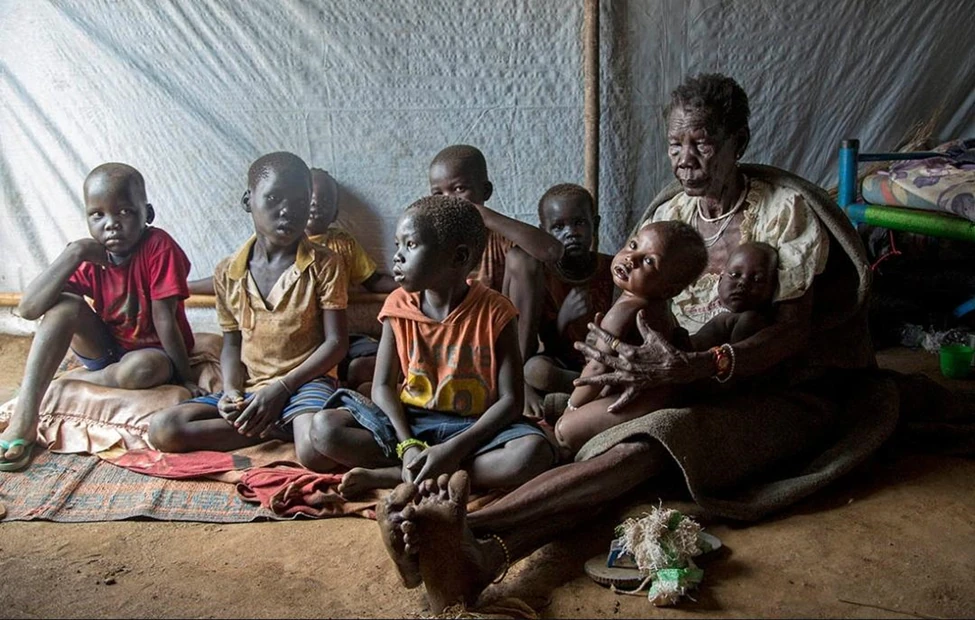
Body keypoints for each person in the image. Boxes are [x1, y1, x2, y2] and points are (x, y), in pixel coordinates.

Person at [374, 73, 887, 614]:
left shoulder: (782, 211)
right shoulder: (670, 215)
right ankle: (467, 553)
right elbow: (625, 306)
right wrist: (617, 361)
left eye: (703, 142)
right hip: (658, 373)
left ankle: (470, 534)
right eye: (675, 144)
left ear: (740, 142)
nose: (685, 158)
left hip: (758, 388)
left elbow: (791, 333)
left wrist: (695, 366)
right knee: (563, 399)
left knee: (654, 440)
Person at [298, 195, 556, 501]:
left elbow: (511, 401)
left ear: (458, 258)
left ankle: (396, 475)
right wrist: (407, 445)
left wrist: (453, 449)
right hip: (413, 422)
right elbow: (382, 386)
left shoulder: (497, 312)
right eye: (398, 245)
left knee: (533, 453)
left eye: (410, 245)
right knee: (325, 429)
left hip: (473, 429)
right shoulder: (397, 306)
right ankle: (423, 465)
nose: (397, 257)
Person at [0, 163, 200, 472]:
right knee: (64, 304)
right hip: (106, 350)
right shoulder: (90, 254)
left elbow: (165, 319)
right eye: (98, 215)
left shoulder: (159, 247)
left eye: (125, 212)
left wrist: (186, 377)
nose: (111, 225)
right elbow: (29, 309)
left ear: (147, 213)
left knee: (143, 368)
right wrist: (75, 252)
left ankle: (62, 384)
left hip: (154, 354)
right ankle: (25, 416)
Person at [148, 152, 349, 454]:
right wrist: (231, 391)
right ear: (248, 201)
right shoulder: (228, 272)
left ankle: (272, 422)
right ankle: (272, 427)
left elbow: (336, 343)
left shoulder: (325, 264)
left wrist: (281, 389)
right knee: (163, 430)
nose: (287, 211)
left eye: (299, 202)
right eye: (274, 199)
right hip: (252, 386)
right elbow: (231, 344)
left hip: (305, 382)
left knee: (312, 450)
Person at [188, 168, 395, 390]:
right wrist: (184, 287)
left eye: (324, 200)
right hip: (290, 358)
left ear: (335, 214)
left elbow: (372, 280)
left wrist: (412, 283)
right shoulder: (264, 244)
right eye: (312, 198)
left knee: (369, 359)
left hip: (333, 338)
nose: (316, 204)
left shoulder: (339, 248)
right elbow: (230, 281)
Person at [555, 221, 708, 457]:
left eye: (648, 261)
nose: (630, 259)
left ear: (669, 290)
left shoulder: (626, 309)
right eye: (633, 245)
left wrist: (572, 407)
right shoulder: (658, 304)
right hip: (655, 391)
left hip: (642, 399)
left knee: (564, 430)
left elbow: (596, 367)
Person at [428, 145, 563, 367]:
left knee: (523, 259)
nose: (449, 200)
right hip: (455, 340)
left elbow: (552, 251)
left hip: (503, 339)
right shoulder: (432, 241)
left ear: (486, 191)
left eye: (459, 189)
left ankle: (517, 370)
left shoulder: (498, 237)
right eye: (438, 194)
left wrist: (483, 216)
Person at [520, 184, 616, 420]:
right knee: (535, 371)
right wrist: (563, 319)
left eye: (579, 223)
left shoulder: (613, 268)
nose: (571, 233)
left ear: (596, 224)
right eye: (559, 227)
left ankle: (583, 396)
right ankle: (590, 393)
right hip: (564, 365)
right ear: (544, 233)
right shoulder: (541, 276)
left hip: (606, 362)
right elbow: (544, 344)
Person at [690, 241, 779, 350]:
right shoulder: (701, 301)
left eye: (757, 279)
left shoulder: (750, 320)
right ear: (720, 280)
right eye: (735, 275)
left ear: (772, 288)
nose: (743, 282)